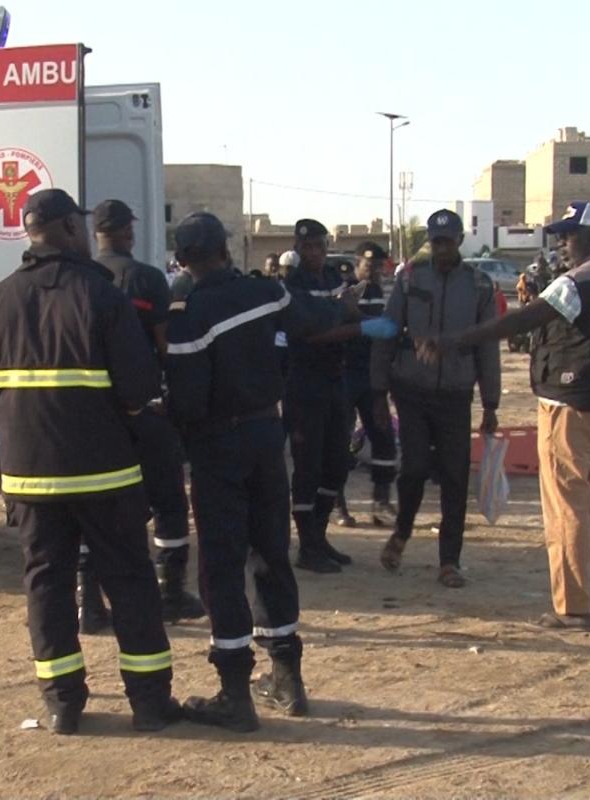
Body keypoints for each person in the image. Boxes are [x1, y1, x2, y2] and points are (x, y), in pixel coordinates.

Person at [163, 212, 395, 732]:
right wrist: (350, 311)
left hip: (218, 447)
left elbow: (187, 402)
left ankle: (234, 693)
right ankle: (288, 679)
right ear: (226, 249)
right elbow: (312, 322)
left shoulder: (189, 316)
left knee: (222, 565)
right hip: (268, 437)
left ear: (182, 260)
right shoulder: (265, 293)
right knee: (270, 554)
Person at [0, 188, 181, 735]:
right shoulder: (102, 296)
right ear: (68, 228)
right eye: (80, 226)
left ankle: (63, 704)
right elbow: (138, 387)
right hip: (103, 472)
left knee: (46, 583)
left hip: (28, 475)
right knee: (130, 581)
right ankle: (150, 704)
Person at [414, 201, 590, 629]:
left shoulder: (574, 284)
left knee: (567, 508)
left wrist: (452, 341)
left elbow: (518, 323)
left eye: (568, 235)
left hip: (567, 408)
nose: (562, 243)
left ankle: (573, 607)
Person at [371, 209, 501, 589]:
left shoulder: (479, 285)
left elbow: (488, 346)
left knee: (455, 476)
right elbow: (387, 333)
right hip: (411, 390)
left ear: (459, 240)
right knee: (413, 468)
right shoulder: (410, 279)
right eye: (435, 241)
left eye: (447, 241)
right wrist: (378, 391)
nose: (441, 248)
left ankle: (449, 561)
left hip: (456, 394)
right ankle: (402, 533)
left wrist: (491, 403)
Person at [91, 199, 204, 626]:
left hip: (95, 415)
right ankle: (170, 591)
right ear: (128, 231)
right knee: (168, 501)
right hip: (145, 410)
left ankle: (89, 602)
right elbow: (164, 343)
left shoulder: (84, 278)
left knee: (96, 507)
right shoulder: (147, 278)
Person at [284, 219, 361, 573]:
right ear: (298, 249)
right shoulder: (292, 284)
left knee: (336, 462)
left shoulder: (334, 278)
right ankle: (307, 545)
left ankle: (319, 535)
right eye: (307, 247)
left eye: (319, 246)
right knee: (308, 466)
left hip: (336, 380)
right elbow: (306, 331)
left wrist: (349, 317)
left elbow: (344, 314)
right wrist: (348, 319)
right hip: (304, 384)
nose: (314, 252)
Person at [335, 242, 398, 529]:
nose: (373, 271)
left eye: (378, 266)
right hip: (345, 372)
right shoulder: (346, 289)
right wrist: (366, 321)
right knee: (340, 440)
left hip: (373, 375)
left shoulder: (385, 292)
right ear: (357, 262)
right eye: (368, 265)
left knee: (383, 438)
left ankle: (381, 502)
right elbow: (342, 319)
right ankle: (338, 504)